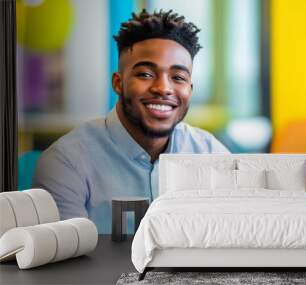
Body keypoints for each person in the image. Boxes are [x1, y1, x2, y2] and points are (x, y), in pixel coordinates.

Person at [33, 9, 229, 233]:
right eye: (145, 74)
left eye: (178, 78)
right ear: (118, 83)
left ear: (190, 90)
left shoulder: (211, 155)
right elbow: (66, 263)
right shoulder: (66, 164)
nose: (163, 88)